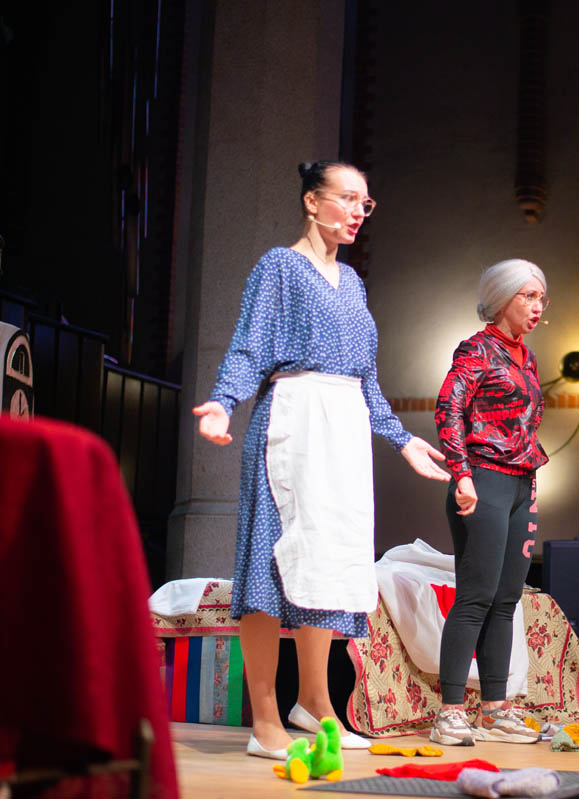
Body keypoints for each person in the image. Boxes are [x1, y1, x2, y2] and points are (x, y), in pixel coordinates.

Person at [192, 160, 449, 759]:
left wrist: (401, 439)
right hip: (294, 419)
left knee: (329, 563)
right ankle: (265, 719)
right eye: (348, 198)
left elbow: (366, 377)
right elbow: (250, 345)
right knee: (270, 566)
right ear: (312, 201)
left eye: (366, 203)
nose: (359, 211)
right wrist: (224, 402)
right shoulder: (279, 267)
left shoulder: (353, 282)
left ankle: (314, 703)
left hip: (345, 431)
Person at [430, 259, 550, 746]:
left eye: (541, 298)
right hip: (483, 479)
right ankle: (450, 712)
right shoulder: (476, 350)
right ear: (502, 299)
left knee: (506, 599)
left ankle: (495, 710)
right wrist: (461, 473)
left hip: (522, 483)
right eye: (528, 296)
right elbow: (448, 408)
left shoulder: (527, 357)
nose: (537, 307)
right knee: (476, 596)